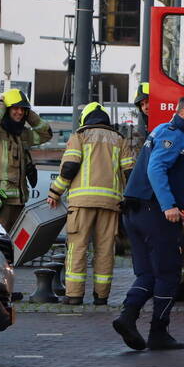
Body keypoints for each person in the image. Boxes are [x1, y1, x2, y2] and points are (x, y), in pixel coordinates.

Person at [112, 95, 184, 351]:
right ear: (182, 112)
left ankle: (127, 317)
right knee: (167, 273)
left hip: (135, 210)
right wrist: (168, 206)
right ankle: (158, 331)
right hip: (154, 211)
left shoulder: (161, 130)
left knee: (147, 273)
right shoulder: (176, 135)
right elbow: (156, 169)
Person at [46, 102, 135, 306]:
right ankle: (101, 296)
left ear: (85, 119)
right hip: (111, 203)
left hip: (82, 203)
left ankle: (74, 295)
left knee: (77, 247)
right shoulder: (119, 139)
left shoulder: (80, 135)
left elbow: (69, 168)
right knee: (105, 250)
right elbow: (130, 173)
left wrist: (55, 192)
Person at [0, 89, 53, 231]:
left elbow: (46, 134)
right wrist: (2, 103)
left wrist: (28, 112)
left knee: (16, 248)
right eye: (15, 108)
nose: (19, 112)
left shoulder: (22, 134)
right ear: (7, 110)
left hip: (19, 203)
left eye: (22, 110)